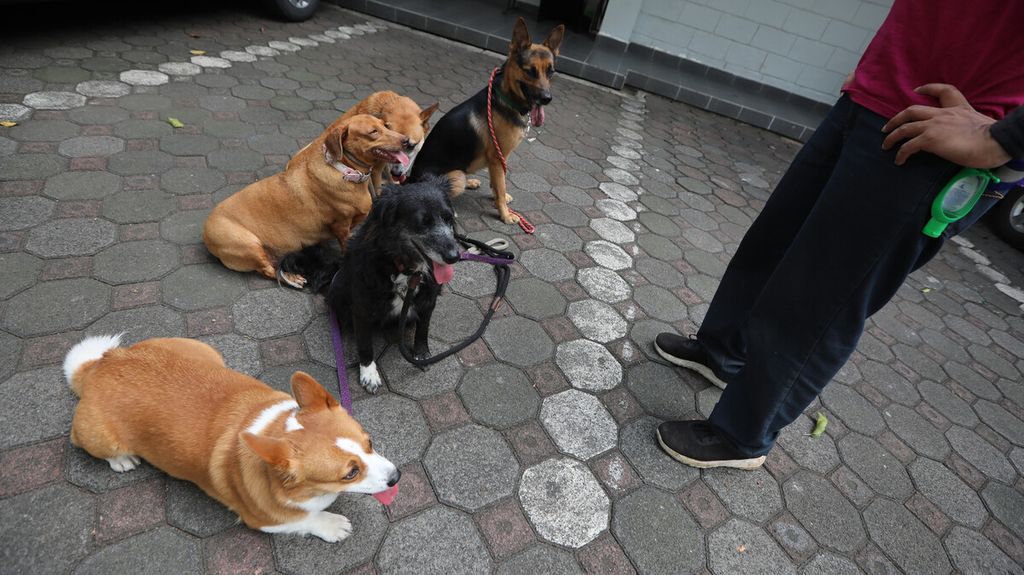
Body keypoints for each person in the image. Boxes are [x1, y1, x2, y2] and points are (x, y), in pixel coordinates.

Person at [653, 0, 1024, 470]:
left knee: (820, 298)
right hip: (874, 98)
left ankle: (742, 435)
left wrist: (1007, 139)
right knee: (771, 247)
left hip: (945, 134)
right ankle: (721, 353)